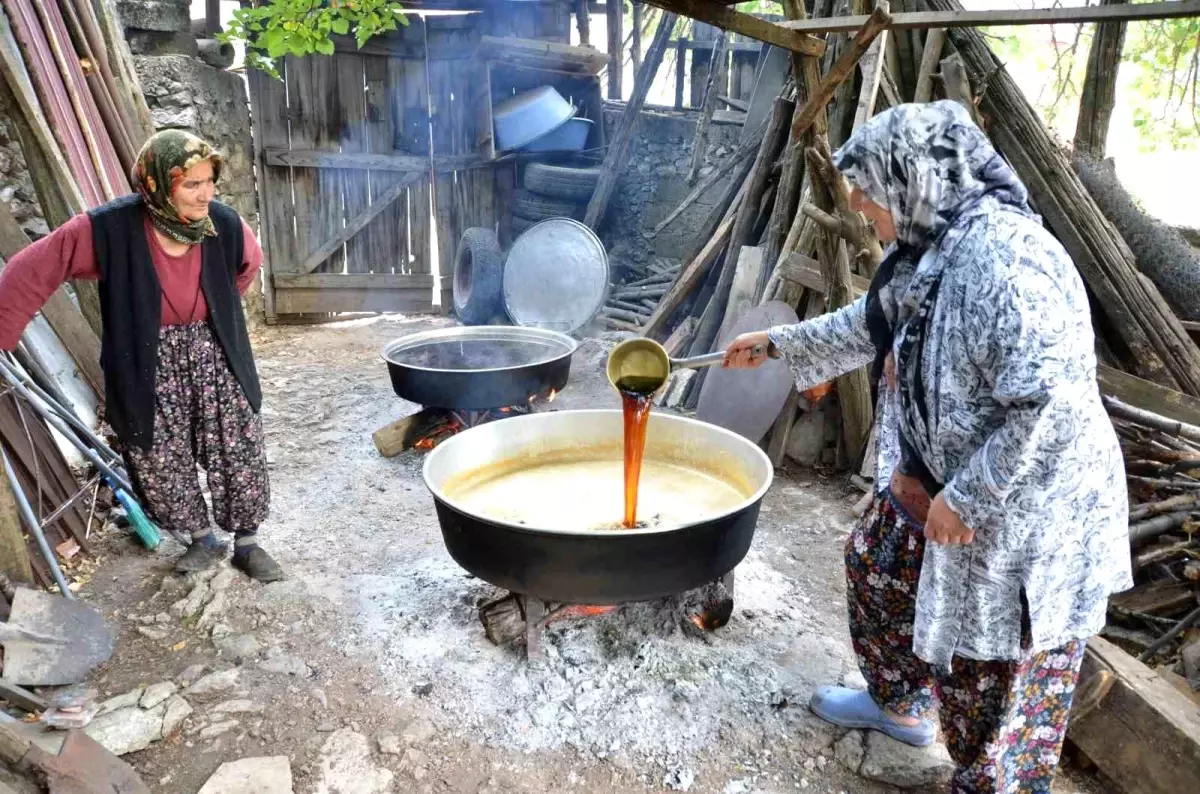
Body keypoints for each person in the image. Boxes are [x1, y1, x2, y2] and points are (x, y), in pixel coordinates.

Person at [724, 101, 1131, 793]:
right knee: (876, 570)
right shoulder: (933, 248)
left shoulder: (1008, 263)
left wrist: (968, 496)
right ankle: (900, 706)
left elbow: (1052, 407)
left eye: (870, 188)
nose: (857, 204)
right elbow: (871, 320)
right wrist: (779, 344)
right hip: (935, 478)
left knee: (996, 684)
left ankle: (989, 782)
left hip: (1026, 513)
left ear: (917, 180)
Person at [0, 129, 284, 583]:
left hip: (216, 347)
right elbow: (30, 270)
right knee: (157, 452)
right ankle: (201, 538)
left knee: (237, 443)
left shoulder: (224, 224)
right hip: (146, 357)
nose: (205, 193)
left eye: (210, 180)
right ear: (156, 183)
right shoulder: (109, 229)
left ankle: (248, 543)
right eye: (192, 184)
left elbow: (248, 266)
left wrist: (218, 311)